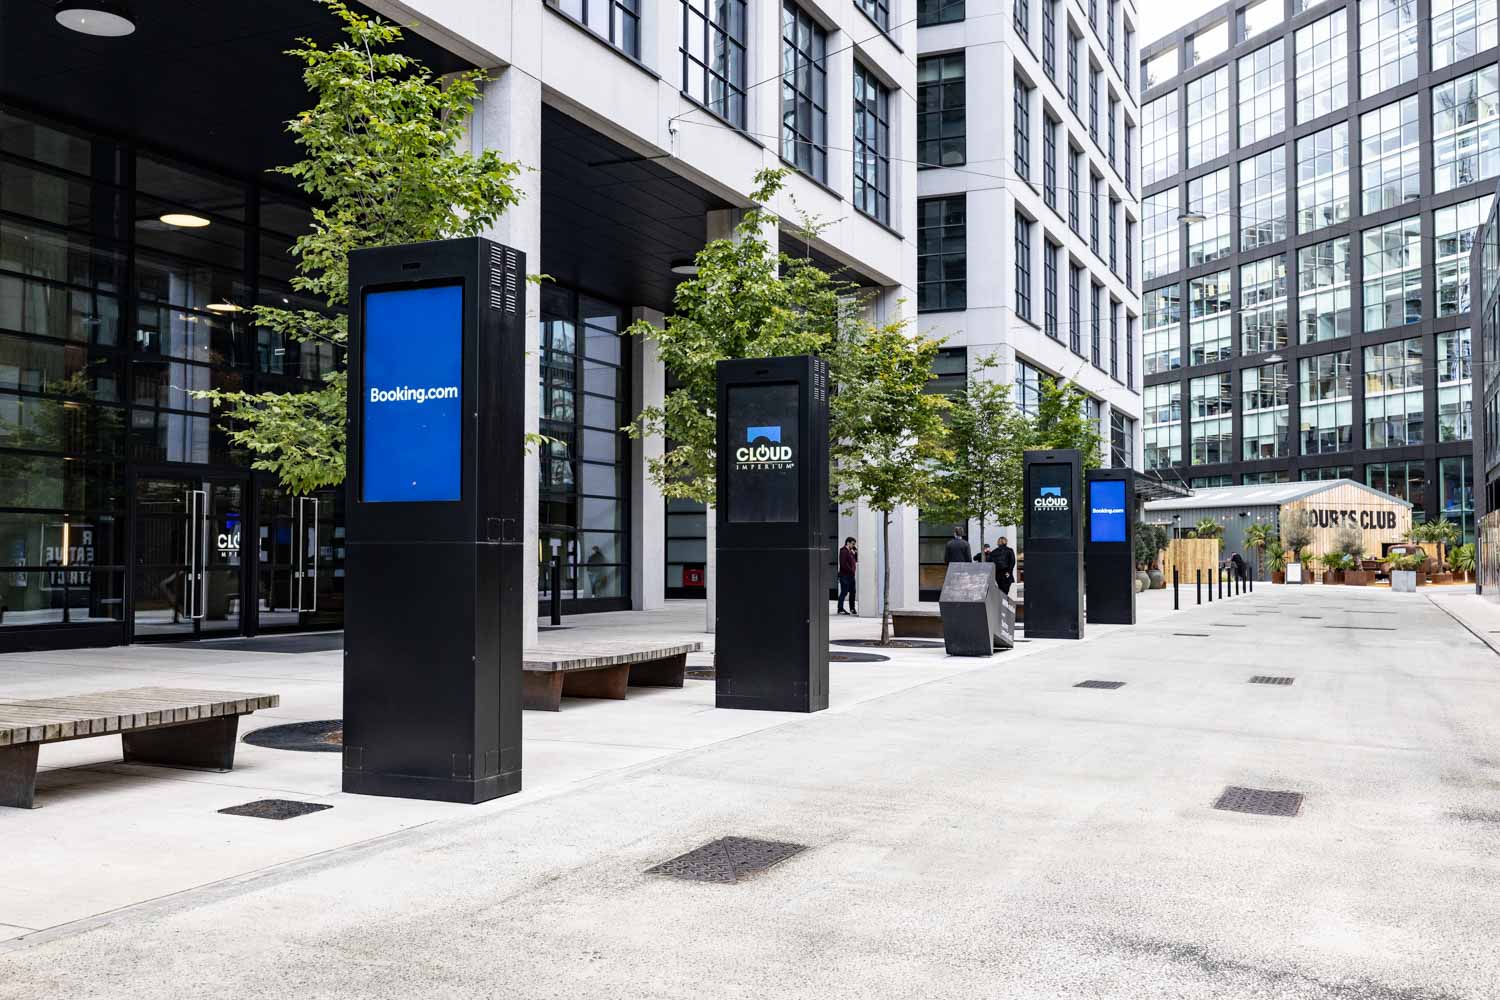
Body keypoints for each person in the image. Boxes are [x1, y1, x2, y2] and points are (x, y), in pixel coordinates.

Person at [837, 537, 858, 616]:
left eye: (854, 544)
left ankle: (852, 608)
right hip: (845, 575)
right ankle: (840, 608)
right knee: (844, 592)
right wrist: (851, 570)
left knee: (853, 592)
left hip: (851, 576)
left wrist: (856, 552)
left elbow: (856, 560)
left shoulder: (850, 552)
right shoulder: (843, 551)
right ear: (848, 543)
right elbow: (843, 564)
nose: (853, 545)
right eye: (853, 544)